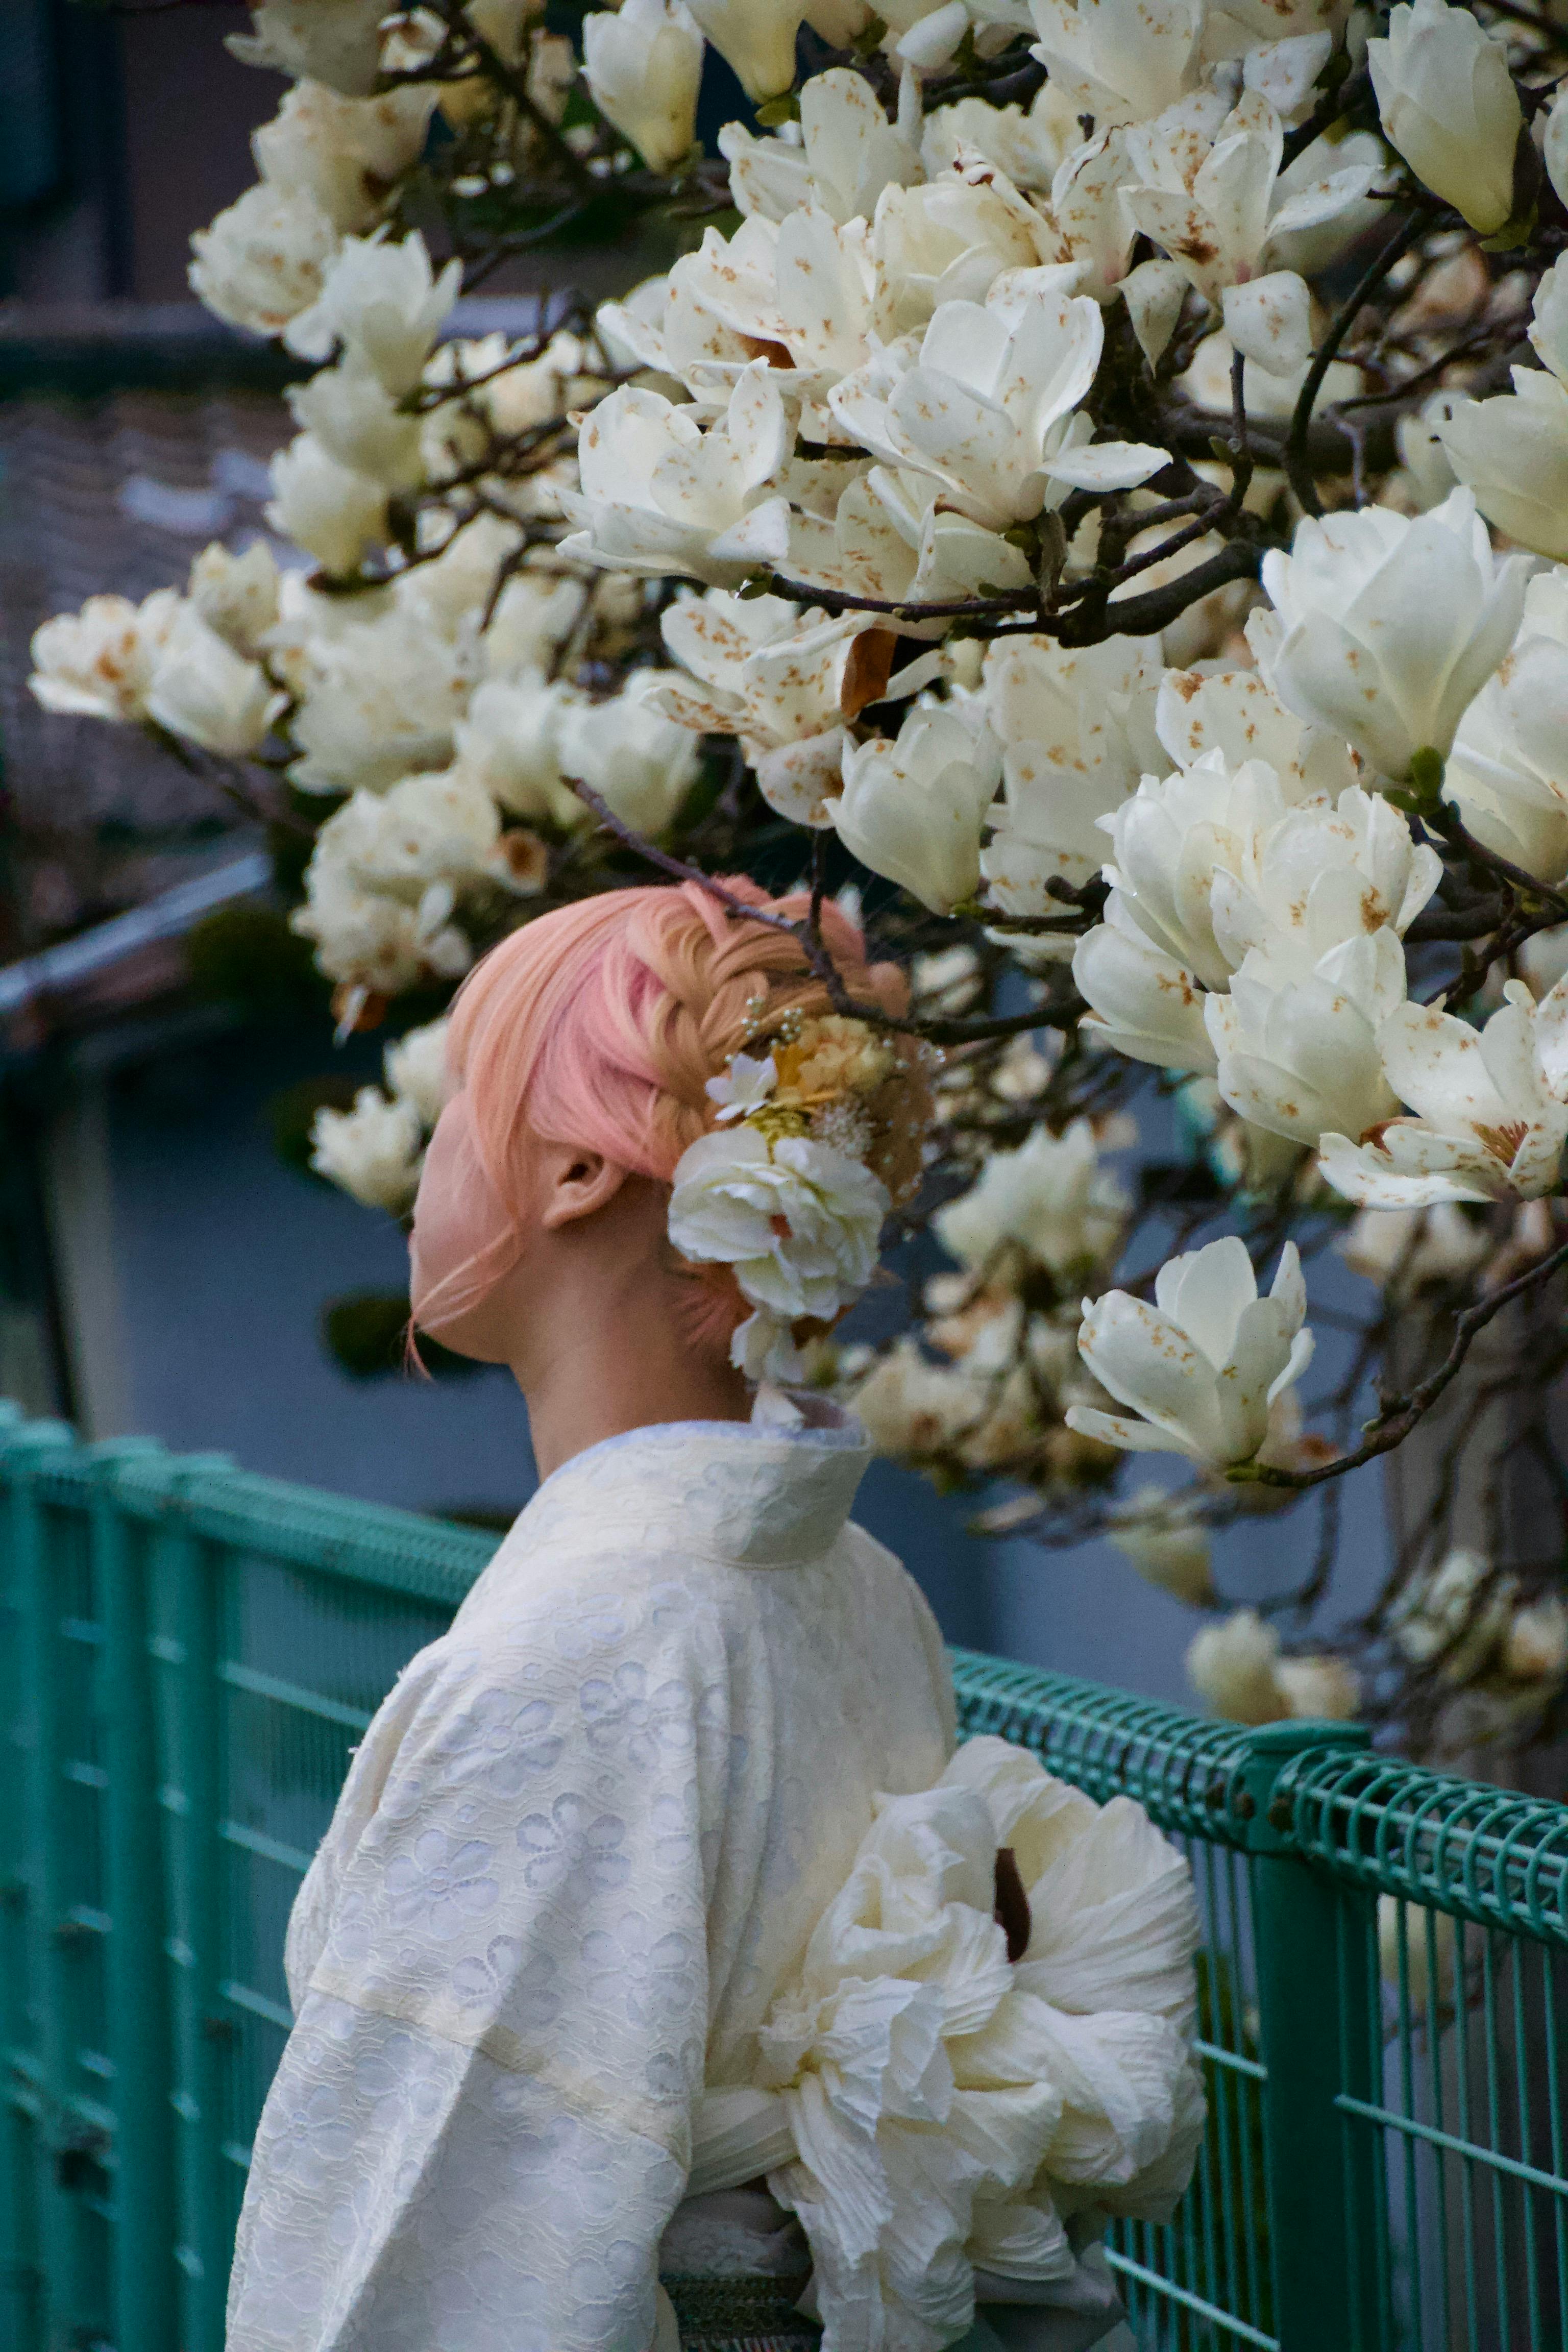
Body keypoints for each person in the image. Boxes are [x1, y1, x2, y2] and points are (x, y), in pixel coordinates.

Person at [226, 880, 1201, 2352]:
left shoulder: (575, 1664)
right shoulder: (864, 1586)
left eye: (445, 1114)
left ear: (569, 1175)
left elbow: (432, 2275)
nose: (421, 1167)